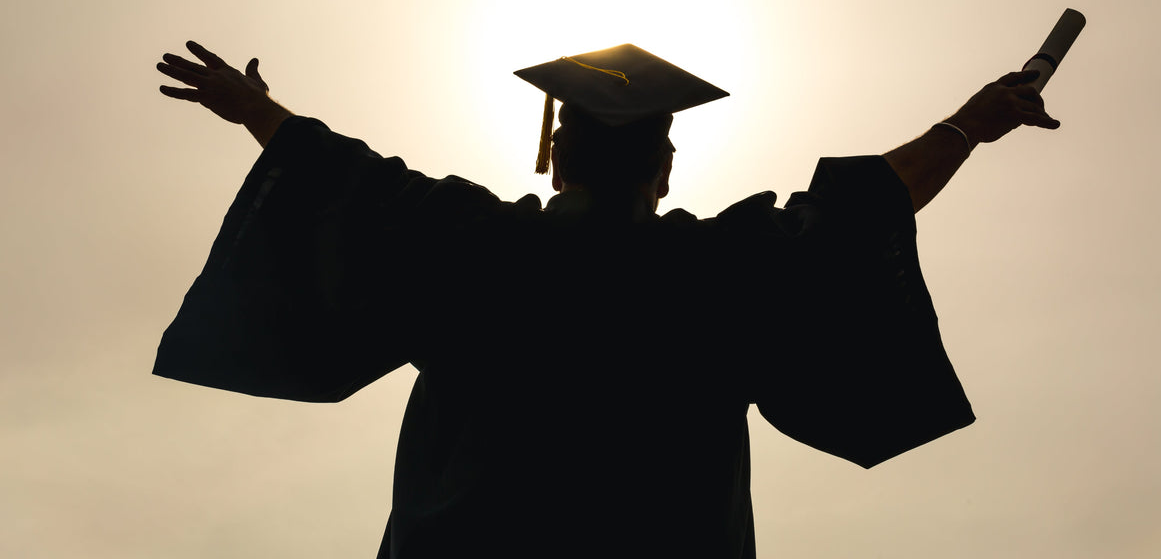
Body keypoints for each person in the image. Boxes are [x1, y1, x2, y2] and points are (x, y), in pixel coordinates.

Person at [153, 41, 1059, 558]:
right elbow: (863, 209)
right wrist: (971, 123)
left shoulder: (474, 248)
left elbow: (342, 183)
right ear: (665, 168)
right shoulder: (719, 272)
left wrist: (256, 113)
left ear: (557, 149)